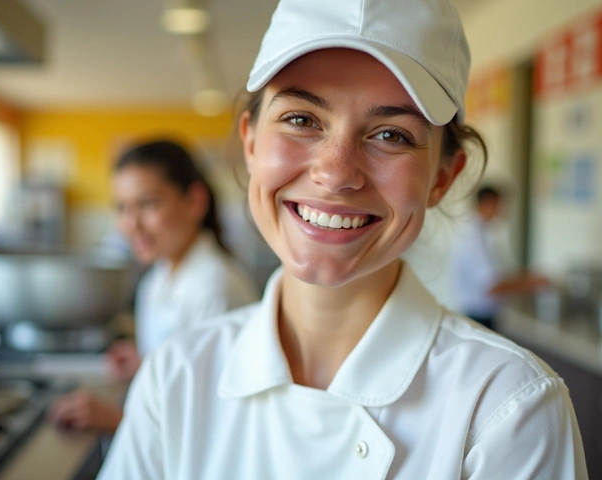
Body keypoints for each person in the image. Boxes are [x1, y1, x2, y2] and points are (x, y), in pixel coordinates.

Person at [98, 1, 587, 478]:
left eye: (391, 135)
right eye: (301, 120)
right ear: (250, 142)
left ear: (442, 177)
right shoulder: (175, 377)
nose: (335, 173)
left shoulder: (507, 408)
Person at [48, 139, 259, 434]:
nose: (131, 224)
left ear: (195, 201)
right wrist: (146, 363)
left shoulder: (214, 289)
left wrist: (116, 420)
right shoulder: (159, 274)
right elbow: (186, 374)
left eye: (148, 204)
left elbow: (215, 423)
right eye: (122, 208)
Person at [450, 185, 551, 330]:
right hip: (478, 317)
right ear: (487, 203)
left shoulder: (481, 233)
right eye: (499, 204)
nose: (502, 210)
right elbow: (492, 286)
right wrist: (531, 282)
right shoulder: (473, 239)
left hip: (481, 314)